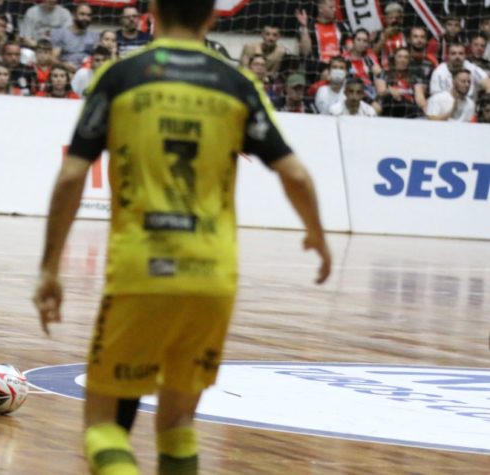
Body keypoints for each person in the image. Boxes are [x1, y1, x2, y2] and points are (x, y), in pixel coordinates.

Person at [33, 2, 331, 475]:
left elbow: (72, 177)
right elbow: (296, 174)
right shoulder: (237, 83)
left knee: (103, 428)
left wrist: (49, 268)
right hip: (212, 276)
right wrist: (317, 234)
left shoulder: (121, 76)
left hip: (140, 271)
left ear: (153, 10)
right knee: (176, 425)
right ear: (212, 17)